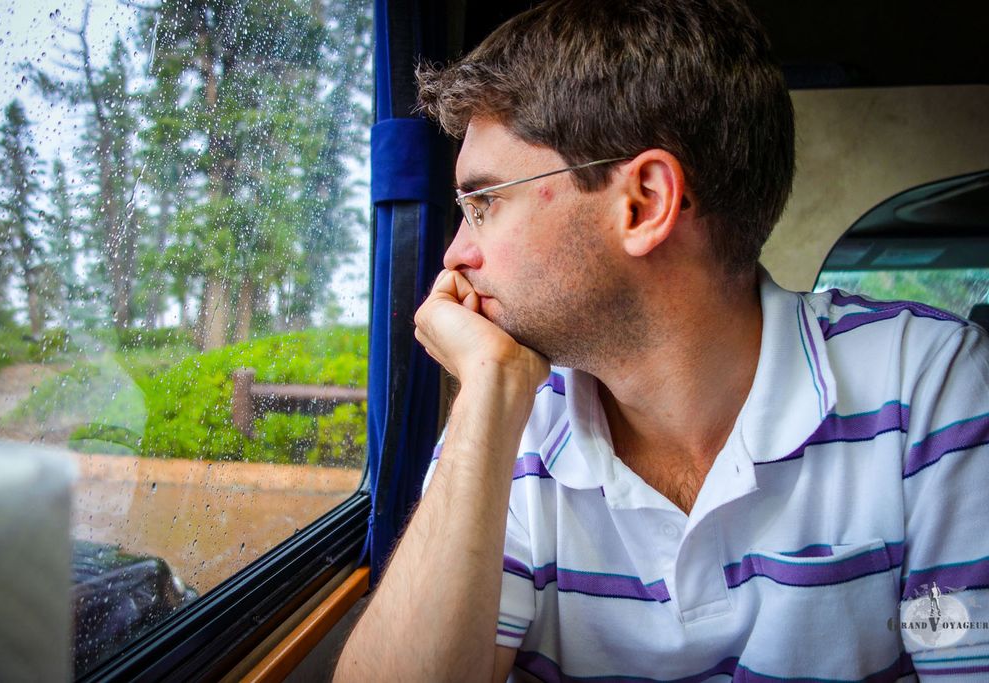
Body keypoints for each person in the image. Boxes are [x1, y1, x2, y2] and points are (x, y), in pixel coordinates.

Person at [335, 1, 989, 680]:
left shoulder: (929, 387)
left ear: (644, 202)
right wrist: (487, 396)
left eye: (484, 204)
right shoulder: (512, 418)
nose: (456, 257)